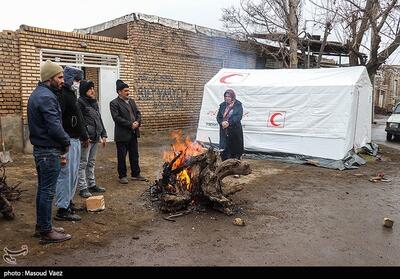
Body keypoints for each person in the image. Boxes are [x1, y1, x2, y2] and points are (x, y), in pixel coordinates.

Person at [27, 60, 71, 244]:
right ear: (49, 78)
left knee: (43, 190)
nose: (63, 81)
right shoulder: (46, 97)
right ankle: (46, 231)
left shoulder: (40, 94)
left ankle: (43, 226)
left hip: (42, 150)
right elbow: (54, 126)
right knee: (47, 191)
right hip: (48, 151)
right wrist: (66, 141)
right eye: (59, 77)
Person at [54, 66, 89, 221]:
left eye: (79, 80)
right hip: (67, 140)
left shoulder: (71, 94)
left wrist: (83, 135)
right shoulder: (61, 95)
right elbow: (58, 121)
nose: (77, 83)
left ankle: (68, 202)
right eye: (76, 80)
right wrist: (63, 142)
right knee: (65, 175)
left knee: (73, 174)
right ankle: (62, 209)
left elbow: (78, 118)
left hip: (74, 139)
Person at [110, 79, 147, 184]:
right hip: (122, 134)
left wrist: (137, 122)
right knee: (122, 156)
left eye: (128, 90)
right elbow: (116, 118)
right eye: (125, 91)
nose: (128, 92)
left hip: (133, 133)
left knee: (134, 154)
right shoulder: (114, 103)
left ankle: (136, 174)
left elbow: (138, 113)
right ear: (119, 92)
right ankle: (122, 176)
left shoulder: (132, 101)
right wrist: (130, 124)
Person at [77, 80, 107, 198]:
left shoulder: (94, 103)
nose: (92, 90)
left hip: (95, 137)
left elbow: (99, 119)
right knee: (83, 163)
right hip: (86, 139)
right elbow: (80, 122)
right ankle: (83, 187)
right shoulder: (80, 103)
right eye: (90, 88)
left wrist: (103, 134)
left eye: (93, 88)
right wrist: (84, 136)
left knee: (91, 162)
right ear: (84, 90)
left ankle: (92, 184)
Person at [216, 89, 244, 162]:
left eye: (229, 96)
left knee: (235, 150)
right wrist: (221, 122)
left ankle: (235, 167)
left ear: (232, 97)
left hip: (234, 131)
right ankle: (225, 165)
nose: (227, 98)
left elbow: (238, 116)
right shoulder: (222, 105)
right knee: (224, 149)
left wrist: (228, 123)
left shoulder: (238, 105)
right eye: (225, 96)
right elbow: (218, 116)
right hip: (224, 131)